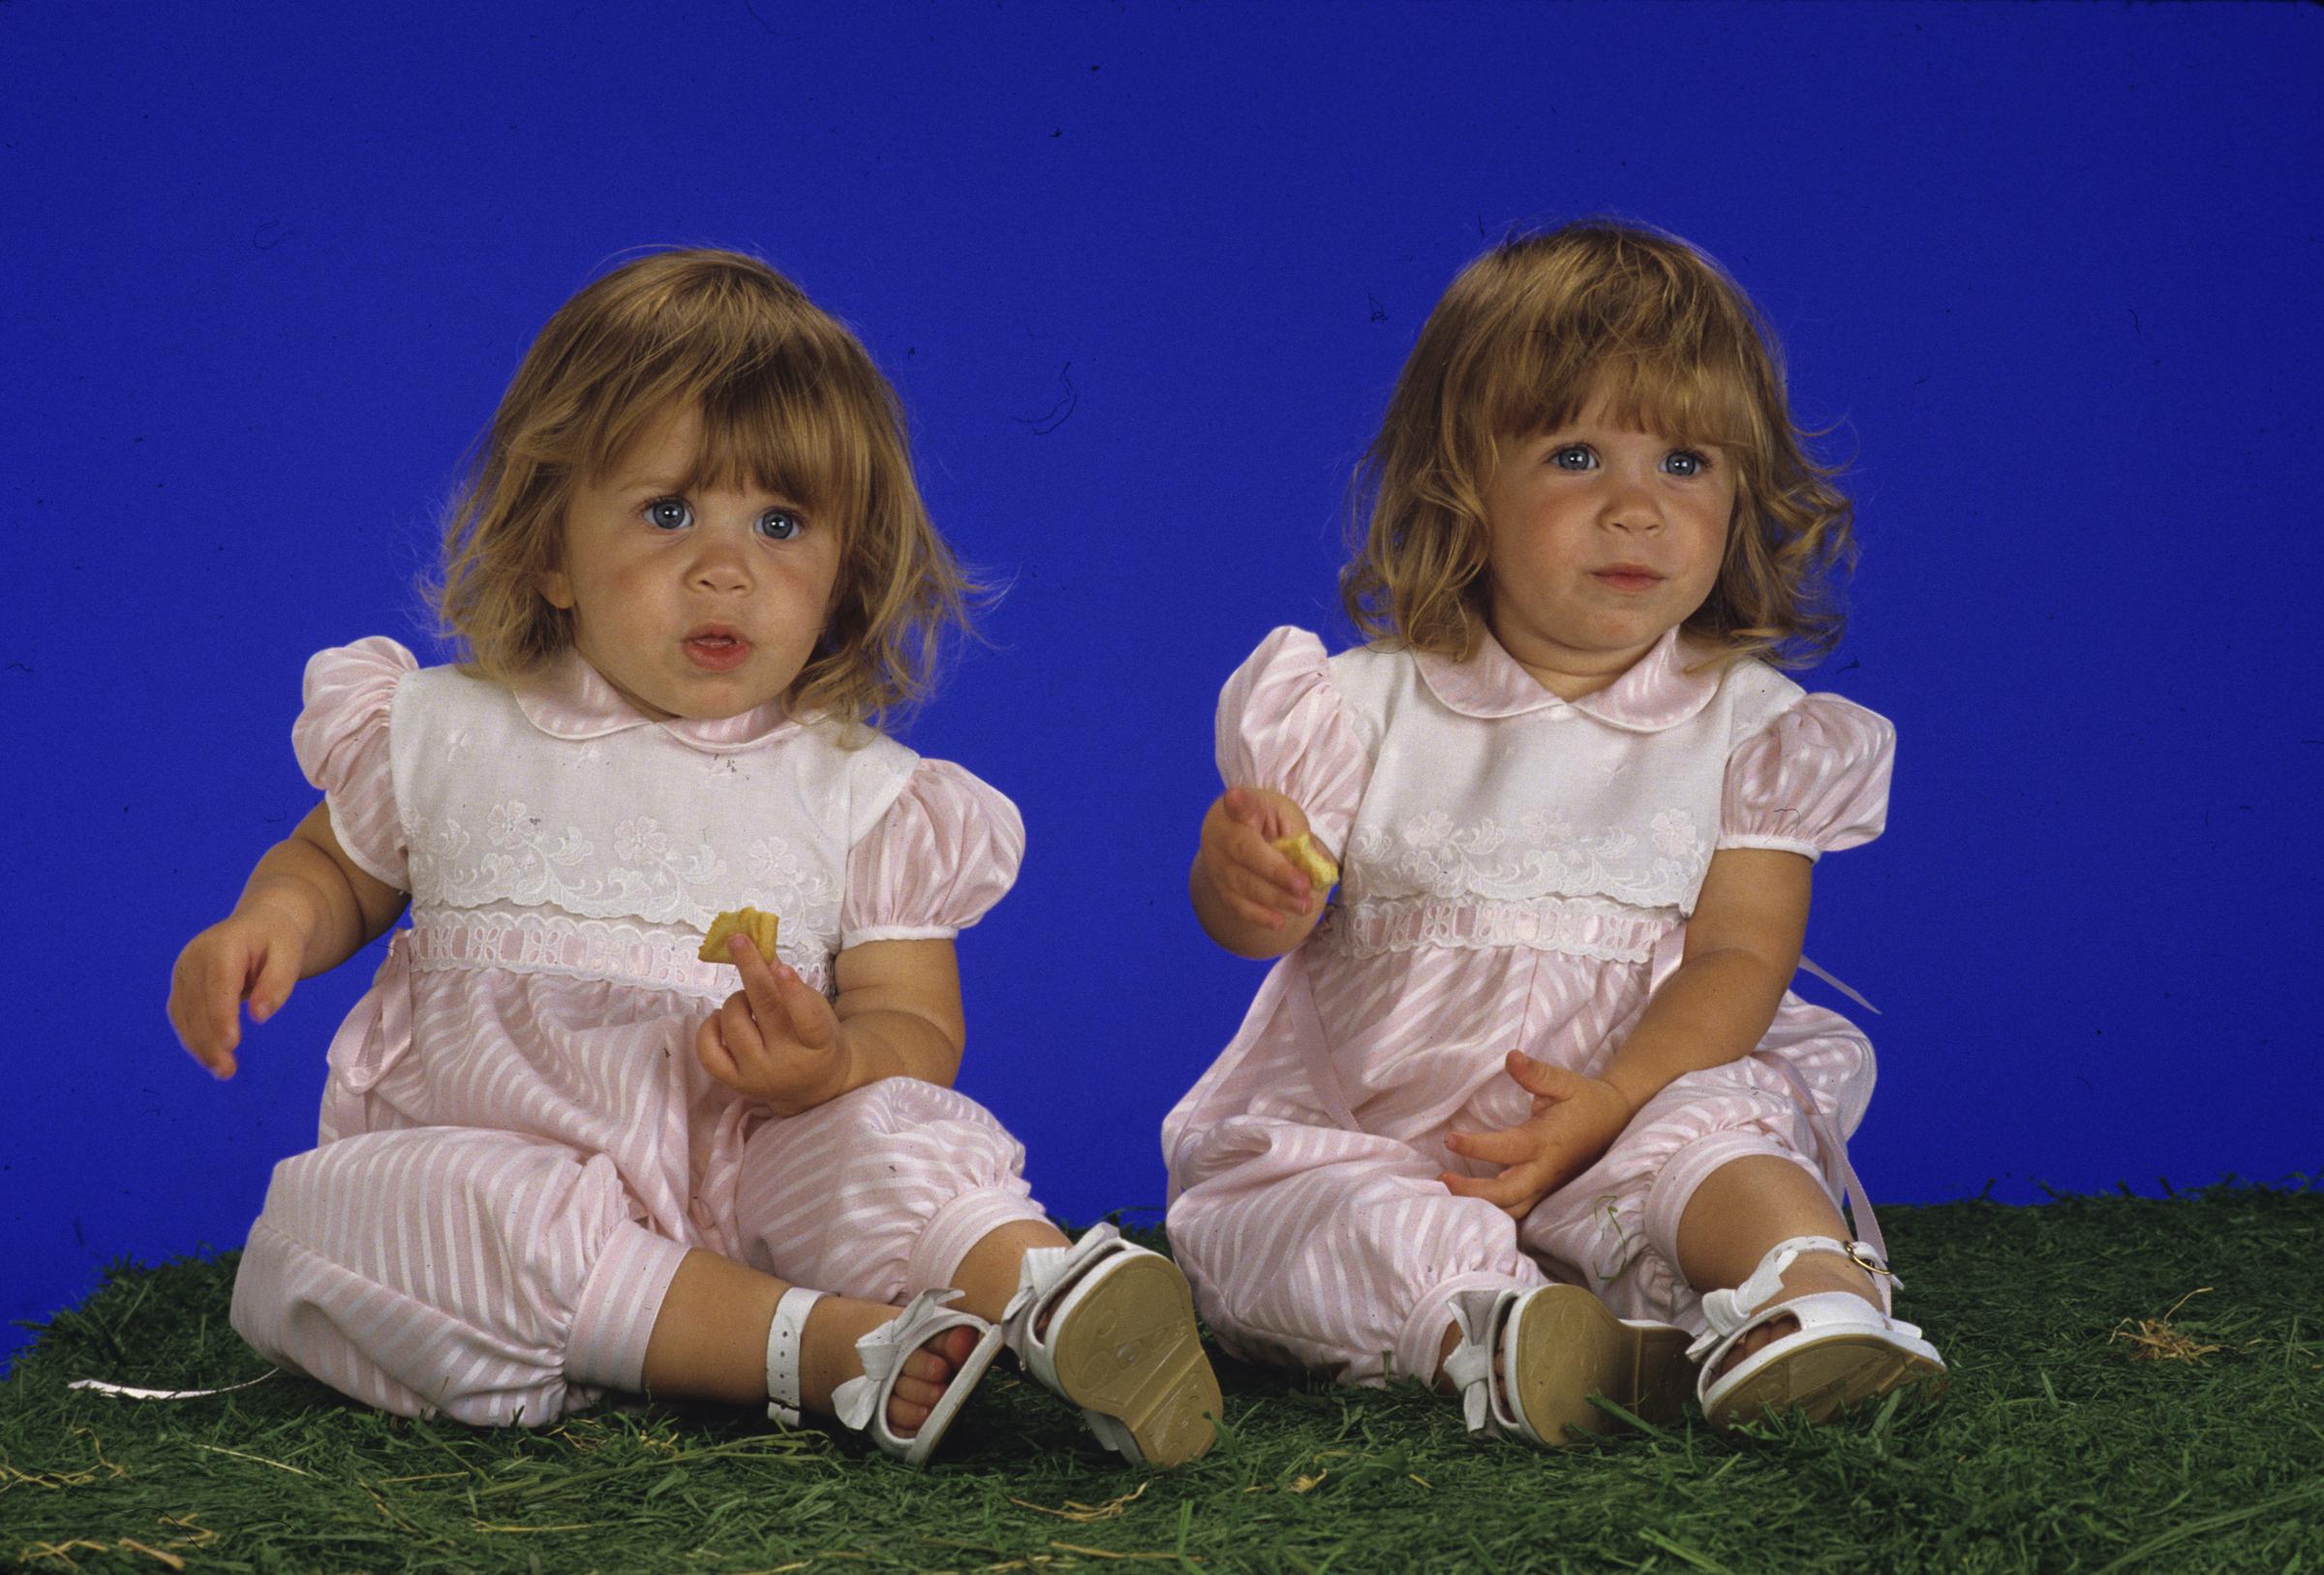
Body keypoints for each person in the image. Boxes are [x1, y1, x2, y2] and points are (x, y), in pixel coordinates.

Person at [168, 249, 1219, 1467]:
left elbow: (915, 1026)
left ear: (843, 575)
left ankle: (1047, 1292)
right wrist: (273, 925)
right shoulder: (446, 727)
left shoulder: (858, 789)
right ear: (552, 546)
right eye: (668, 513)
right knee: (336, 1223)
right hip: (522, 1184)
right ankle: (823, 1348)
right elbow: (336, 868)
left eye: (780, 524)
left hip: (764, 1161)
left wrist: (833, 1062)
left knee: (893, 1136)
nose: (725, 568)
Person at [1165, 220, 1943, 1447]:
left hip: (1633, 1099)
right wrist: (1241, 880)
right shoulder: (1359, 706)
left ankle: (1811, 1294)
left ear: (1744, 497)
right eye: (1577, 455)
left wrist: (1613, 1098)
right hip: (1393, 1140)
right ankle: (1502, 1328)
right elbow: (1265, 915)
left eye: (1686, 462)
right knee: (1286, 1217)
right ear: (1461, 485)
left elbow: (1742, 959)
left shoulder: (1753, 731)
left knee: (1723, 1130)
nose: (1637, 509)